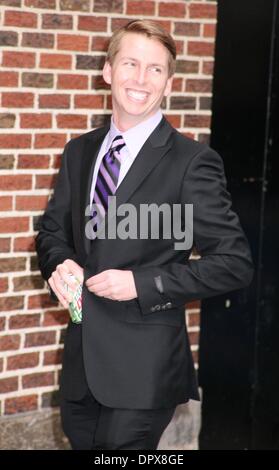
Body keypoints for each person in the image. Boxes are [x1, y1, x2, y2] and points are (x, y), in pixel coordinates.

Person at [35, 19, 254, 450]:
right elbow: (52, 232)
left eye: (155, 69)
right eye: (131, 63)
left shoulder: (193, 162)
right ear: (108, 71)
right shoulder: (79, 151)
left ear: (169, 83)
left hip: (144, 371)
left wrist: (140, 283)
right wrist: (57, 263)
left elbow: (234, 264)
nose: (140, 78)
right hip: (81, 367)